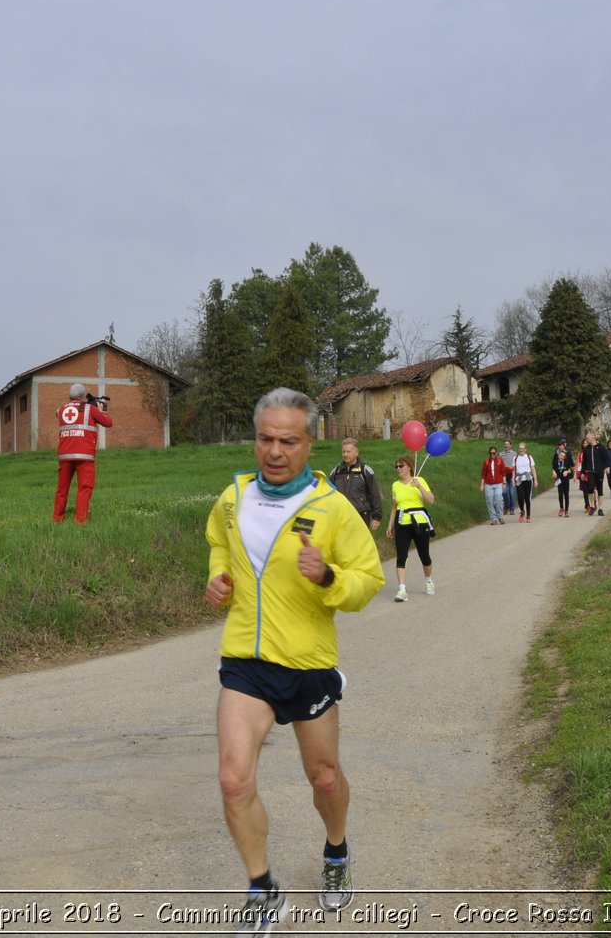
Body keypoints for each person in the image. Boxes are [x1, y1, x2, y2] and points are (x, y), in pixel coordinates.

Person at [203, 388, 386, 933]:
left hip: (307, 664)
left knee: (324, 777)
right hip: (246, 661)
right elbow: (218, 540)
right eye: (265, 439)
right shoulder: (233, 497)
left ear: (311, 443)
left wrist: (329, 577)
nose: (275, 451)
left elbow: (369, 579)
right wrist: (218, 578)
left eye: (288, 440)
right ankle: (262, 888)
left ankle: (336, 852)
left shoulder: (333, 509)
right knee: (234, 779)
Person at [52, 383, 112, 524]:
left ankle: (57, 518)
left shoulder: (61, 410)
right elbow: (108, 423)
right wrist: (100, 410)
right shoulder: (90, 409)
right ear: (83, 396)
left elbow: (58, 412)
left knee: (62, 489)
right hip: (84, 456)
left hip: (65, 456)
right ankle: (80, 520)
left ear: (70, 395)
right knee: (84, 488)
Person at [386, 456, 436, 600]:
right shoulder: (395, 485)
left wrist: (419, 486)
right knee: (401, 556)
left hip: (420, 521)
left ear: (409, 467)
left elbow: (431, 500)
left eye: (401, 466)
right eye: (396, 466)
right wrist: (390, 525)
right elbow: (394, 506)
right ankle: (402, 590)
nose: (398, 469)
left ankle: (428, 581)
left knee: (424, 555)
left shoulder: (419, 480)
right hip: (402, 522)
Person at [328, 438, 384, 532]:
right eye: (343, 452)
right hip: (341, 517)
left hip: (361, 516)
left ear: (356, 453)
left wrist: (376, 518)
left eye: (348, 452)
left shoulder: (365, 471)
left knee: (360, 545)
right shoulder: (336, 472)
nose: (345, 454)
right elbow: (329, 494)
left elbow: (375, 495)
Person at [578, 433, 610, 517]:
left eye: (587, 438)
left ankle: (600, 509)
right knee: (590, 488)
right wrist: (582, 473)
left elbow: (606, 459)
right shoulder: (586, 449)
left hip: (599, 471)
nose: (586, 440)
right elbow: (584, 462)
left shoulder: (601, 447)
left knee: (600, 490)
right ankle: (592, 507)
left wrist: (607, 467)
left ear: (592, 438)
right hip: (590, 471)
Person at [480, 444, 508, 525]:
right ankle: (493, 518)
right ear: (489, 454)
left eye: (494, 453)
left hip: (498, 483)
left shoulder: (500, 461)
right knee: (489, 501)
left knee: (499, 500)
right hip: (488, 484)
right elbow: (483, 474)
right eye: (491, 453)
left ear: (496, 453)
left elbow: (503, 473)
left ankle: (500, 516)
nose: (492, 455)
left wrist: (504, 483)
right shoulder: (486, 462)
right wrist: (482, 485)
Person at [511, 441, 539, 521]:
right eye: (520, 448)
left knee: (527, 498)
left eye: (522, 448)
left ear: (525, 449)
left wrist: (535, 480)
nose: (521, 450)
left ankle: (528, 515)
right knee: (520, 497)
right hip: (519, 479)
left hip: (528, 479)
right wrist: (513, 479)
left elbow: (533, 469)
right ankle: (522, 511)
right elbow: (514, 470)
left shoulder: (529, 457)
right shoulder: (515, 458)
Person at [551, 440, 575, 517]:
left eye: (563, 456)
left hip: (565, 479)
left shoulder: (566, 460)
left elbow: (569, 469)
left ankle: (567, 511)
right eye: (560, 455)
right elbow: (553, 467)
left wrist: (567, 472)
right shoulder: (555, 458)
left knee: (566, 495)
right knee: (560, 494)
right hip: (559, 479)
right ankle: (561, 508)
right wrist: (554, 472)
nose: (561, 457)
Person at [498, 439, 518, 515]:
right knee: (504, 493)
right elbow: (499, 465)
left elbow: (516, 465)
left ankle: (512, 509)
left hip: (512, 476)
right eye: (505, 444)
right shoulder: (501, 454)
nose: (506, 445)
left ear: (510, 445)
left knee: (512, 493)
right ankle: (506, 506)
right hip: (504, 476)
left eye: (507, 444)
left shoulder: (514, 454)